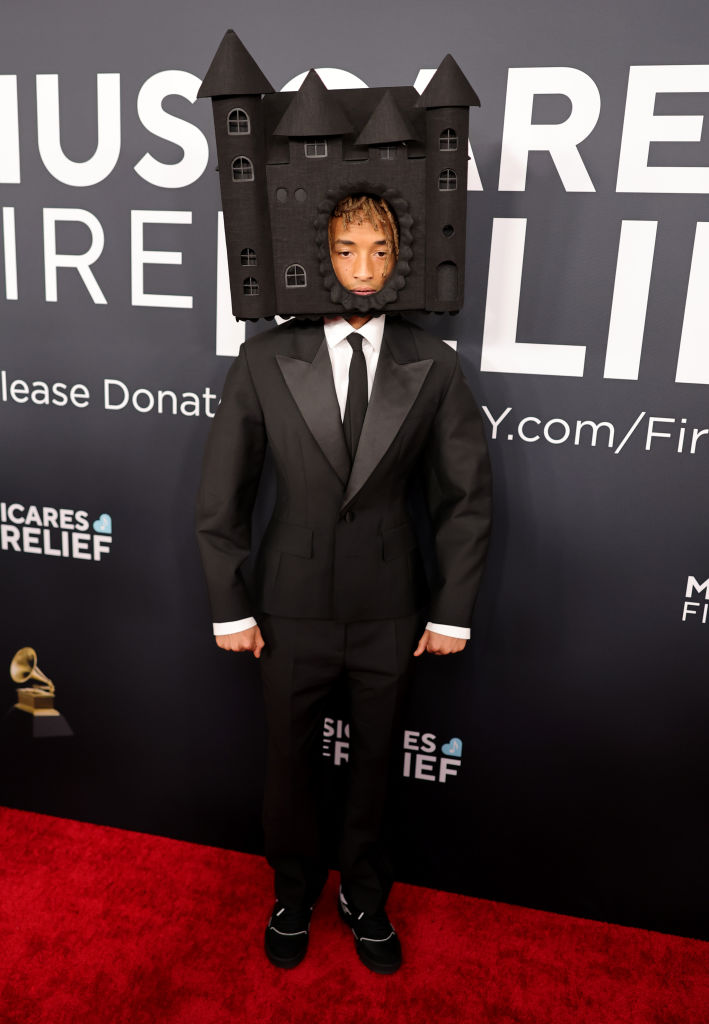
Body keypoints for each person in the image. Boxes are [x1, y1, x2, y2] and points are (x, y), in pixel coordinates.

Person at [196, 194, 492, 974]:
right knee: (287, 766)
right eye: (345, 249)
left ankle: (364, 896)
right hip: (286, 610)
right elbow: (222, 496)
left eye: (380, 252)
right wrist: (230, 605)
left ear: (403, 261)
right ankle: (292, 893)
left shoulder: (434, 363)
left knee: (373, 769)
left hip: (391, 612)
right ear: (315, 253)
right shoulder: (264, 358)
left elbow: (465, 499)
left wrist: (451, 611)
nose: (362, 269)